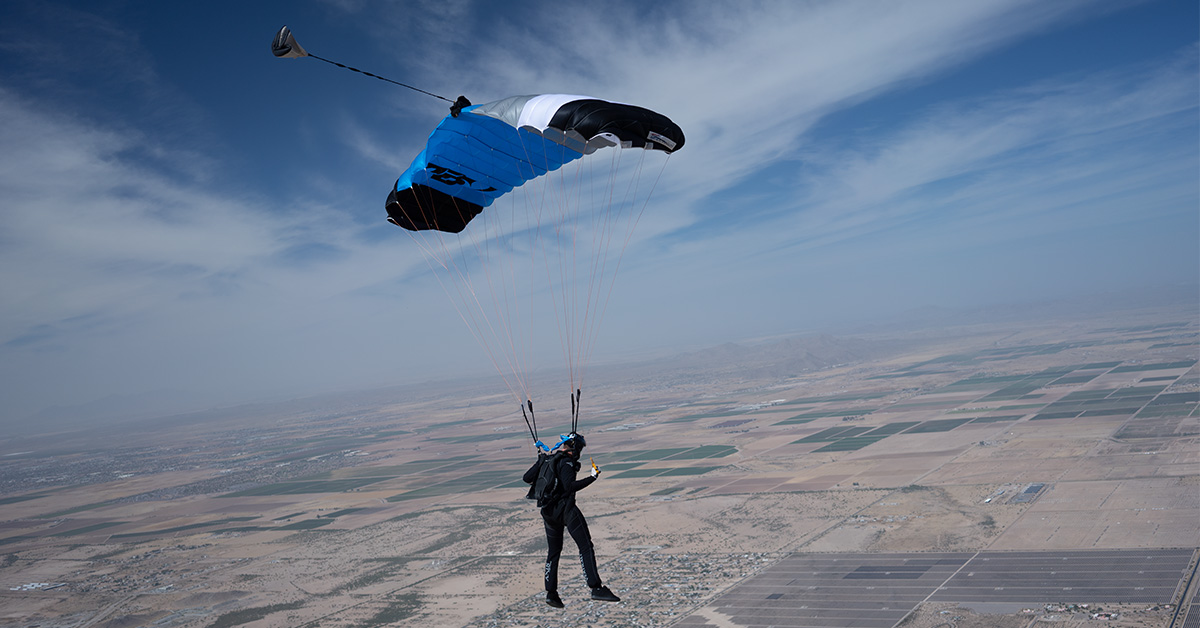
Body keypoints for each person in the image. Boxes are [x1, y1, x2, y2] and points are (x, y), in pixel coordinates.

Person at [522, 433, 620, 608]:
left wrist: (539, 462)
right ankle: (596, 588)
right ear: (576, 449)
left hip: (548, 512)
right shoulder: (566, 463)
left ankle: (551, 594)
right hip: (566, 511)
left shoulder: (549, 460)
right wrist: (592, 477)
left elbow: (526, 478)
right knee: (585, 546)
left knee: (554, 551)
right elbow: (569, 487)